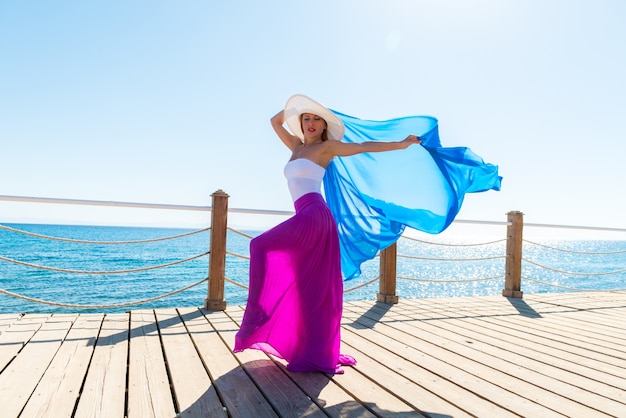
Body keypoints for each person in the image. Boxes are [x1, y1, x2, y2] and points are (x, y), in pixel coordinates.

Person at [233, 94, 422, 374]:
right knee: (307, 287)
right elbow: (274, 121)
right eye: (306, 118)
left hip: (315, 215)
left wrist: (402, 144)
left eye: (316, 119)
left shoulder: (326, 148)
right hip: (304, 216)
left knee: (261, 246)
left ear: (324, 126)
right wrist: (294, 106)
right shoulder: (295, 146)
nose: (310, 123)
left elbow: (363, 146)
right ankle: (308, 347)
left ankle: (259, 315)